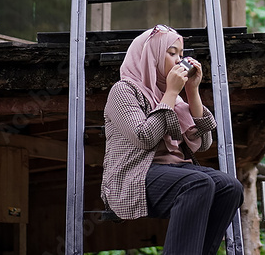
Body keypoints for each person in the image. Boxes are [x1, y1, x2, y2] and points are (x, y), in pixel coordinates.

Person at [102, 24, 243, 255]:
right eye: (171, 53)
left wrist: (192, 91)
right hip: (135, 175)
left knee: (230, 187)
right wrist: (171, 92)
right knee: (198, 183)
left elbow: (204, 143)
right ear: (152, 56)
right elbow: (145, 138)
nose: (179, 60)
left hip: (175, 170)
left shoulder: (174, 98)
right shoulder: (123, 91)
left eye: (181, 54)